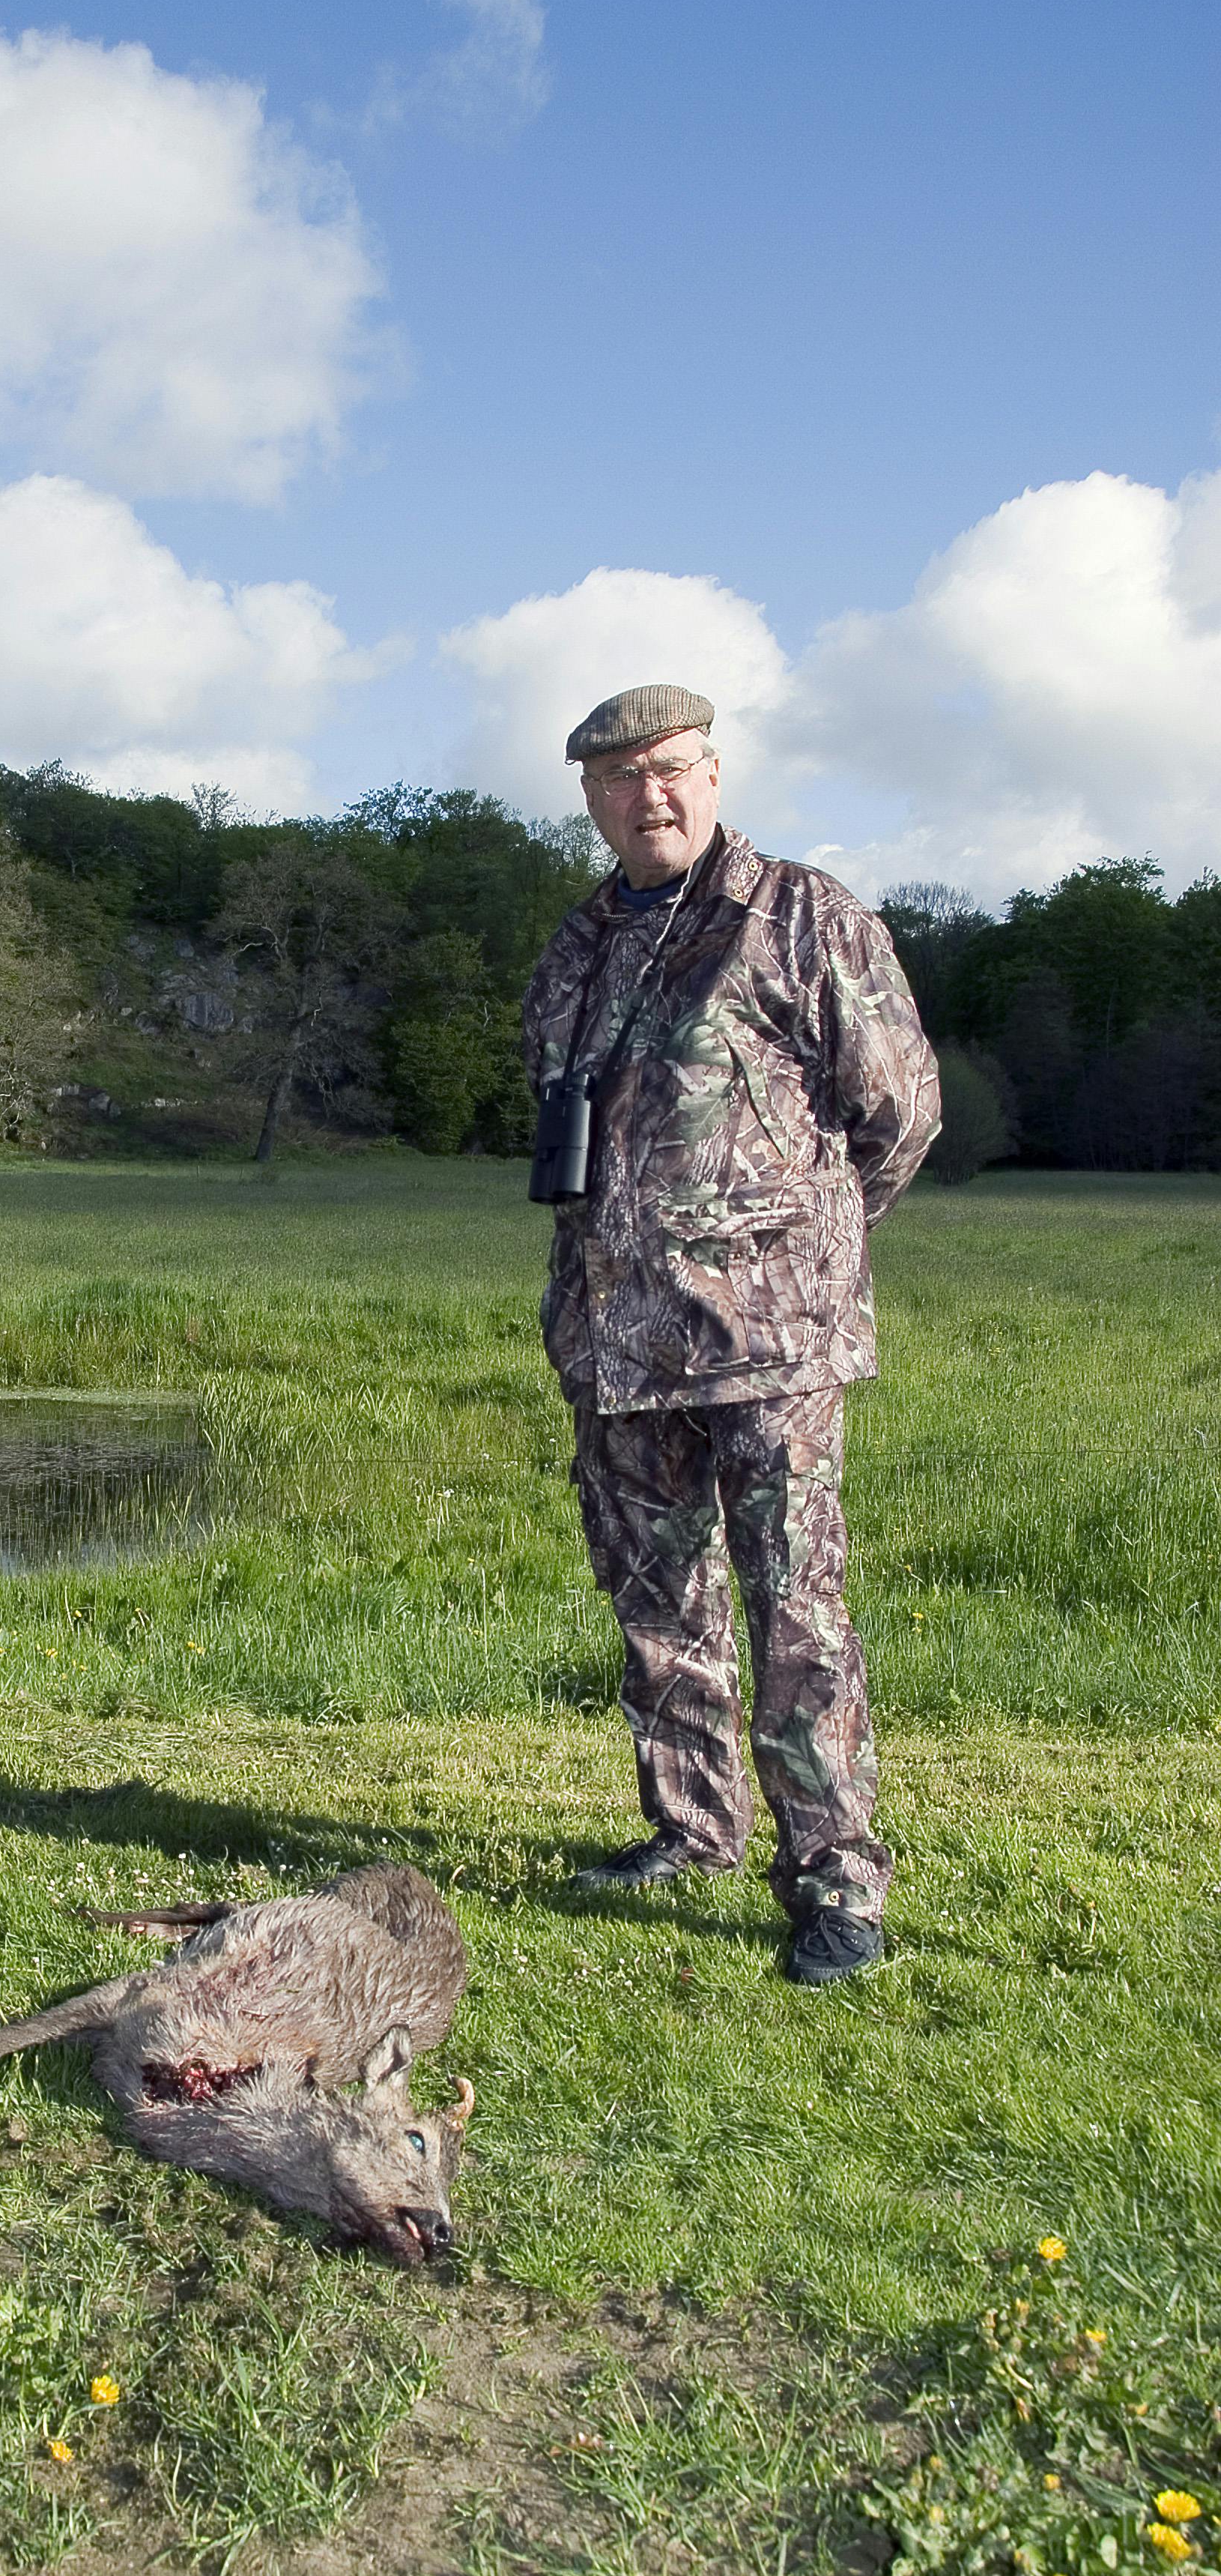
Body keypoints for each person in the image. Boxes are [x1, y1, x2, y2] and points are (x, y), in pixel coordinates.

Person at [523, 683, 938, 1986]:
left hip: (772, 1347)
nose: (652, 795)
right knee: (657, 1606)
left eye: (675, 769)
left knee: (796, 1614)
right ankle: (692, 1832)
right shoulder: (576, 947)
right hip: (616, 1343)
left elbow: (901, 1115)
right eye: (622, 777)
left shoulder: (804, 917)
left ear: (713, 773)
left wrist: (796, 1253)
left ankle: (837, 1884)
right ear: (590, 797)